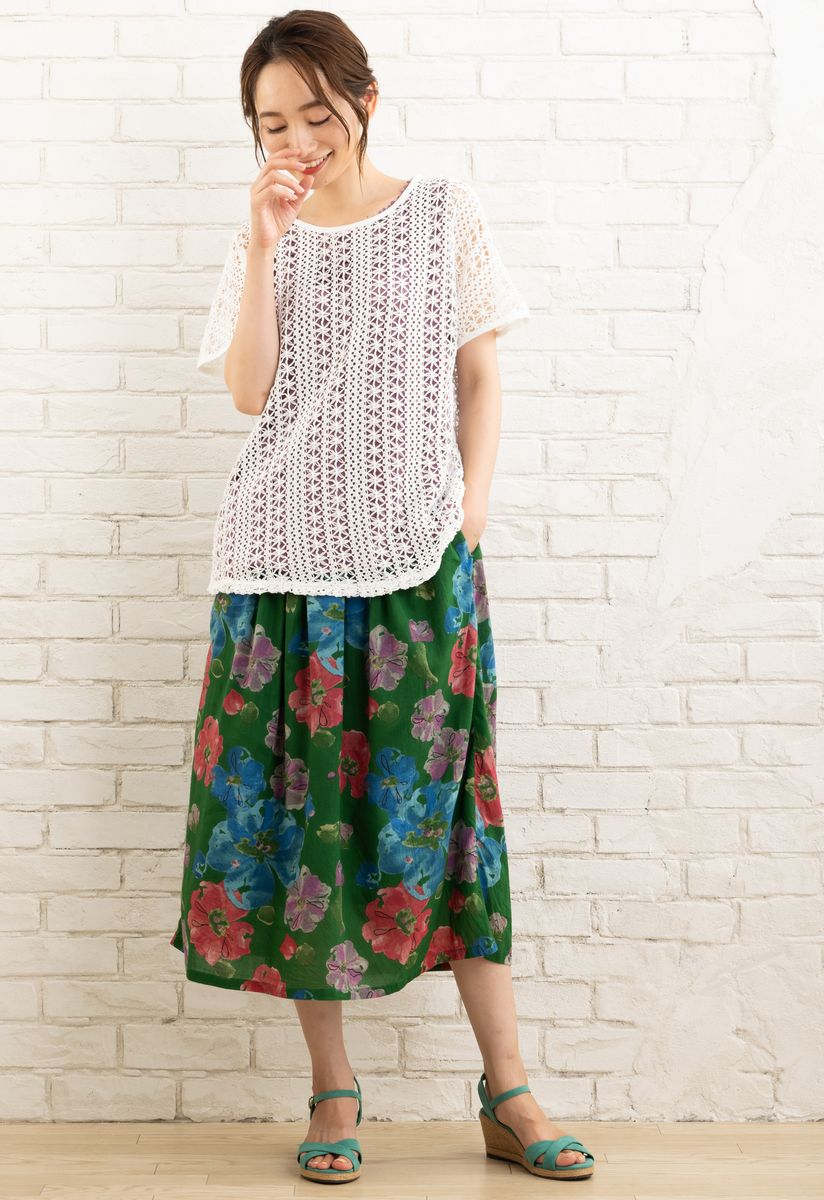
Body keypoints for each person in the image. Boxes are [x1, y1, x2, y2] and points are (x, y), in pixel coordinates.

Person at [171, 8, 595, 1186]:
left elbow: (478, 370)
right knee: (303, 822)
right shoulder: (265, 232)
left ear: (363, 98)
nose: (297, 141)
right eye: (272, 124)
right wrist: (265, 246)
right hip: (280, 573)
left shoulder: (440, 210)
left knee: (449, 817)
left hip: (418, 561)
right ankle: (332, 1089)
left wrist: (470, 510)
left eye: (315, 113)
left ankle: (507, 1091)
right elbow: (250, 393)